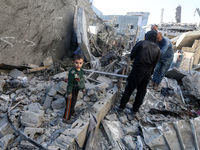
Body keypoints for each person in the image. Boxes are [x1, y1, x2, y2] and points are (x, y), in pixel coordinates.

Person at [118, 30, 160, 115]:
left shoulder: (141, 43)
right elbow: (155, 63)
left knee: (129, 89)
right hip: (147, 73)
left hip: (137, 70)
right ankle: (134, 110)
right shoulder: (157, 48)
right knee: (141, 91)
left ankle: (121, 107)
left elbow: (132, 55)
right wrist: (150, 73)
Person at [63, 54, 85, 122]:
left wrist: (83, 88)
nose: (78, 64)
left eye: (80, 63)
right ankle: (66, 118)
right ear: (73, 62)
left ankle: (72, 112)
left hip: (76, 90)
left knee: (74, 102)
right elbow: (70, 83)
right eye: (77, 63)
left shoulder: (81, 71)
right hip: (72, 90)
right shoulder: (72, 72)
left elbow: (82, 80)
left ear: (83, 63)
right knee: (69, 104)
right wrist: (69, 92)